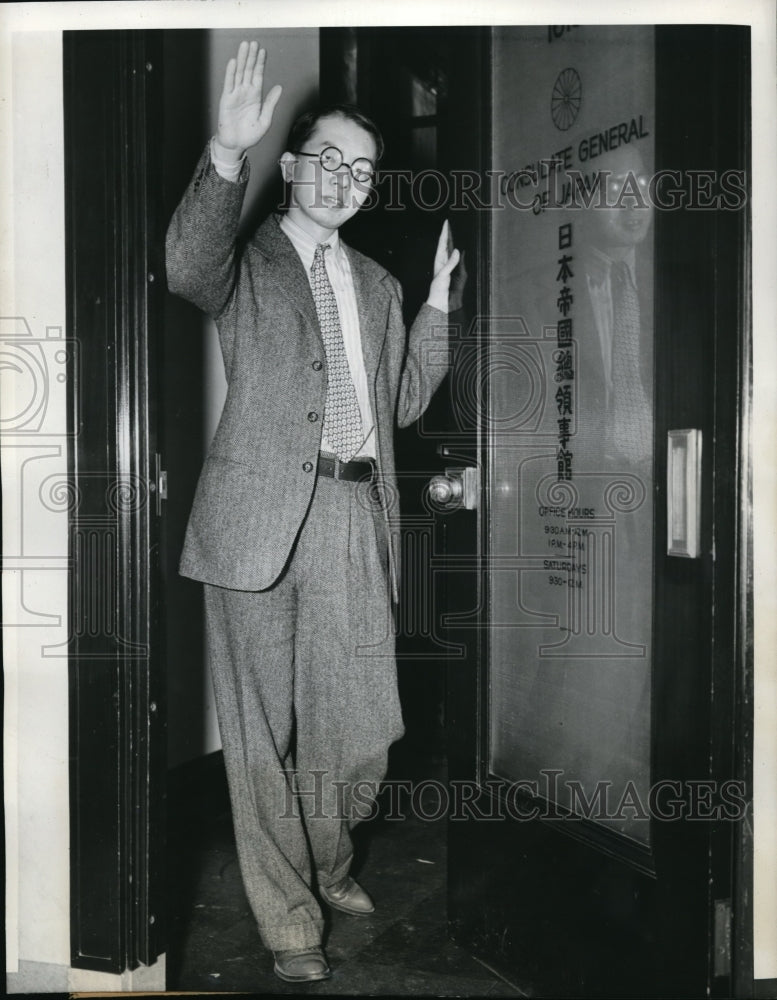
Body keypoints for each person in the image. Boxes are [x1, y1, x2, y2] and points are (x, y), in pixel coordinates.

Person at [165, 40, 459, 984]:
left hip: (349, 516)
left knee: (359, 726)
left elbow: (406, 401)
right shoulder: (244, 263)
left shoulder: (377, 287)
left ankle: (330, 860)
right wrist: (223, 153)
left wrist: (438, 312)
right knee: (259, 733)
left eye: (361, 170)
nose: (343, 179)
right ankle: (290, 919)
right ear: (292, 167)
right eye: (326, 159)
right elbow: (184, 267)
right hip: (251, 521)